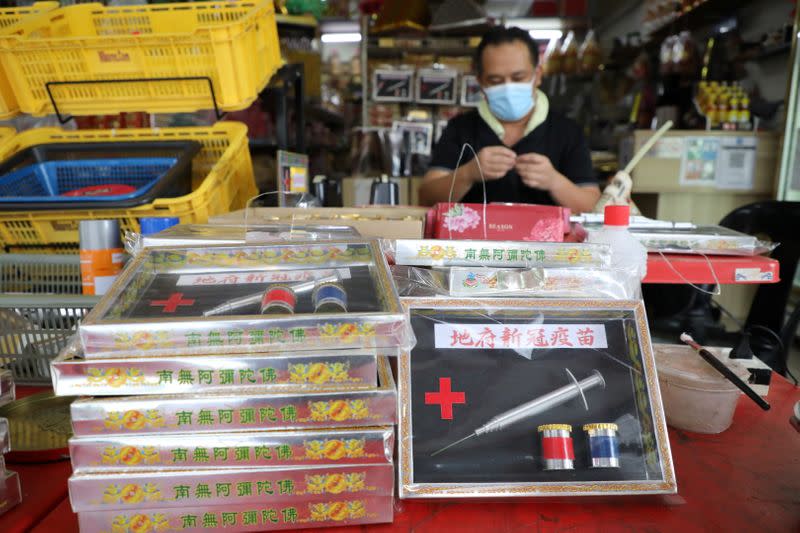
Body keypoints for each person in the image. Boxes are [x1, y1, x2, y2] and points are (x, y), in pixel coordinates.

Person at [419, 27, 600, 213]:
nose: (508, 87)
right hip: (475, 240)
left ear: (537, 75)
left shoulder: (567, 131)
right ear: (481, 82)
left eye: (518, 77)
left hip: (549, 241)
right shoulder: (460, 128)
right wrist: (468, 173)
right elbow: (426, 198)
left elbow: (592, 207)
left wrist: (554, 181)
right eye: (496, 81)